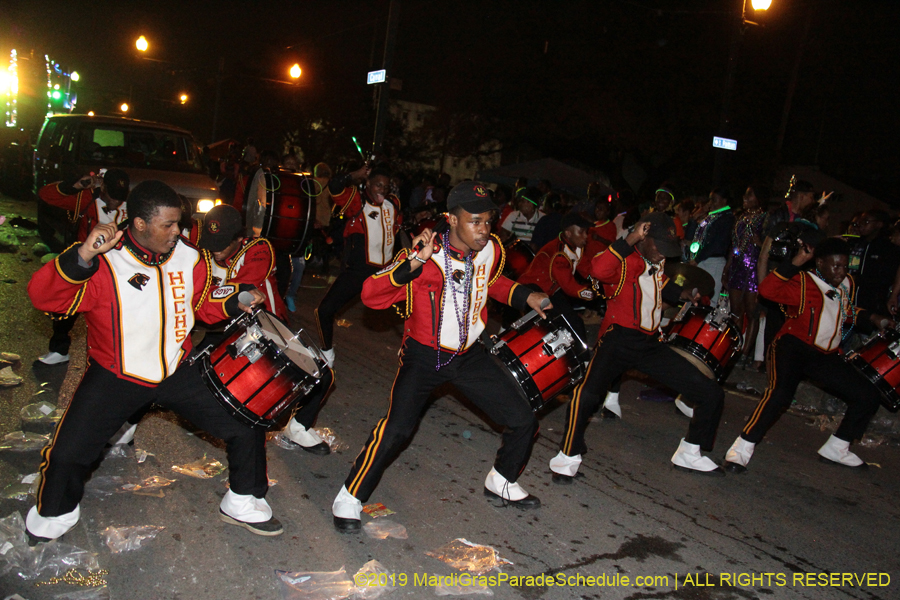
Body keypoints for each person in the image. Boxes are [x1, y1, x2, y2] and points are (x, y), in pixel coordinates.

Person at [25, 180, 282, 542]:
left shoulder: (190, 257)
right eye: (169, 225)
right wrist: (82, 255)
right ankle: (55, 515)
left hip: (177, 370)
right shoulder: (103, 261)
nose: (178, 231)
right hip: (117, 375)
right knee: (67, 455)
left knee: (246, 419)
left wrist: (233, 300)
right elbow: (41, 296)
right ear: (140, 224)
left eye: (180, 223)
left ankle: (241, 501)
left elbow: (201, 306)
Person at [330, 182, 550, 532]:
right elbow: (371, 296)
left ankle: (502, 480)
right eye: (475, 221)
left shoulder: (490, 248)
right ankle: (351, 495)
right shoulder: (426, 255)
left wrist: (527, 296)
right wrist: (414, 261)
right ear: (451, 219)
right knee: (397, 430)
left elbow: (490, 281)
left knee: (524, 419)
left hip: (469, 355)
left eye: (488, 221)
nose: (484, 230)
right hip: (424, 357)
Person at [549, 212, 726, 481]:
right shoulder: (624, 260)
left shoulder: (655, 261)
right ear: (643, 238)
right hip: (618, 339)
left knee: (709, 392)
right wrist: (629, 238)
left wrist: (684, 294)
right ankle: (566, 457)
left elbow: (659, 284)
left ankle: (690, 452)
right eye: (658, 248)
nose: (662, 255)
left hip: (649, 343)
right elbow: (597, 270)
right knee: (587, 395)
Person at [723, 237, 892, 472]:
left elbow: (844, 310)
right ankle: (742, 448)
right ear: (820, 263)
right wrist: (797, 260)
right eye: (836, 266)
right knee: (779, 395)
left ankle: (838, 447)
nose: (841, 272)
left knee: (868, 395)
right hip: (793, 347)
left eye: (845, 266)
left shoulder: (846, 284)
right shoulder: (803, 282)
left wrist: (874, 318)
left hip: (825, 354)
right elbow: (767, 290)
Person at [36, 168, 130, 365]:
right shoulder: (86, 198)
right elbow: (46, 195)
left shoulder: (133, 205)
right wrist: (74, 184)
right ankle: (60, 350)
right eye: (112, 195)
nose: (116, 201)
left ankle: (118, 358)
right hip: (87, 263)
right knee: (65, 308)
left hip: (118, 268)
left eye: (120, 197)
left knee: (117, 316)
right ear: (103, 186)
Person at [315, 164, 401, 366]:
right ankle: (327, 354)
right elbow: (334, 186)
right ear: (368, 184)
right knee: (324, 310)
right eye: (378, 185)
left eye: (386, 187)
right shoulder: (357, 202)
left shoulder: (393, 204)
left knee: (414, 309)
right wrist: (355, 174)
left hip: (386, 274)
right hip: (359, 271)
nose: (382, 190)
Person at [517, 212, 594, 341]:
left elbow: (588, 270)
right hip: (532, 290)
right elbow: (568, 286)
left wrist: (601, 281)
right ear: (568, 233)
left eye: (586, 232)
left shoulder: (575, 247)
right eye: (581, 232)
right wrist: (589, 294)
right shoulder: (558, 253)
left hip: (550, 291)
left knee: (571, 323)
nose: (586, 236)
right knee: (567, 324)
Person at [724, 185, 768, 367]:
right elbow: (733, 246)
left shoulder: (765, 218)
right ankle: (731, 349)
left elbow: (769, 246)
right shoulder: (739, 217)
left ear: (759, 198)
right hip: (737, 268)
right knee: (735, 311)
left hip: (753, 270)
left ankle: (745, 353)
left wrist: (760, 243)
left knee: (752, 313)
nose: (745, 197)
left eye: (750, 194)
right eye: (745, 193)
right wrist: (727, 267)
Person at [687, 188, 735, 297]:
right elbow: (690, 237)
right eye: (710, 200)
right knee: (695, 297)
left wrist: (697, 259)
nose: (710, 203)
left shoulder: (727, 218)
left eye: (714, 200)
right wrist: (695, 217)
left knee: (709, 299)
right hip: (701, 260)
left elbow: (716, 243)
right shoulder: (710, 217)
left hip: (714, 263)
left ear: (724, 201)